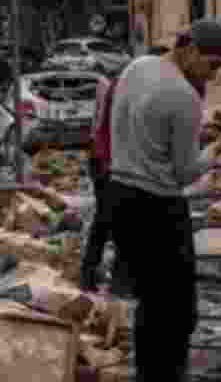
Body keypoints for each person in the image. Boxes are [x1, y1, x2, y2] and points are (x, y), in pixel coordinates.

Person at [107, 19, 221, 382]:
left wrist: (195, 136)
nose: (213, 76)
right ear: (190, 49)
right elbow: (184, 173)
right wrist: (220, 146)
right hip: (157, 205)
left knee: (151, 303)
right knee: (177, 313)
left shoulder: (138, 67)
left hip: (120, 196)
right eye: (212, 65)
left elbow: (148, 129)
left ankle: (148, 374)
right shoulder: (184, 97)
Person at [78, 75, 133, 294]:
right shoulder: (125, 88)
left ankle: (92, 275)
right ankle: (115, 282)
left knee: (107, 221)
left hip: (105, 162)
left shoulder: (118, 85)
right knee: (118, 222)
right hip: (109, 165)